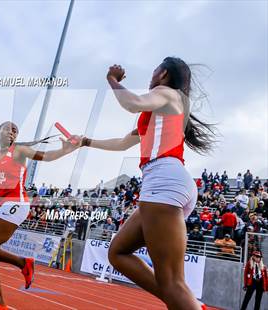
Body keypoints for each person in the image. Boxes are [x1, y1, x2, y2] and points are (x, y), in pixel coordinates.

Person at [76, 58, 216, 309]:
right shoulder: (159, 111)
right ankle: (184, 301)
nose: (151, 75)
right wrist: (86, 141)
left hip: (163, 181)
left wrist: (112, 80)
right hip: (167, 183)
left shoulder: (165, 93)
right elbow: (121, 142)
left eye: (154, 70)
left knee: (173, 281)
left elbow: (132, 103)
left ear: (163, 74)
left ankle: (183, 300)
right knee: (118, 253)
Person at [0, 121, 78, 310]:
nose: (11, 132)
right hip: (5, 205)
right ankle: (23, 262)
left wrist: (65, 150)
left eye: (15, 131)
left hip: (17, 204)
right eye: (7, 129)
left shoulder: (19, 150)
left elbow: (46, 156)